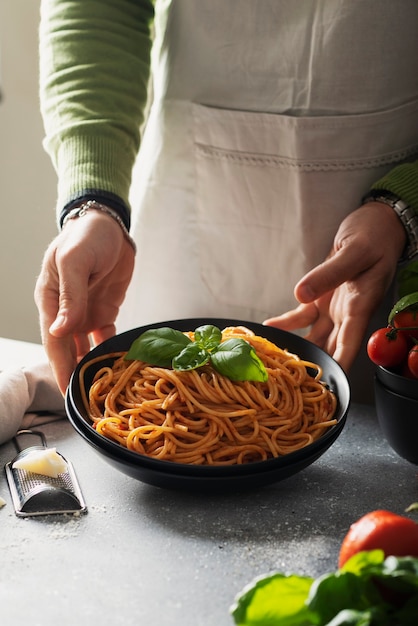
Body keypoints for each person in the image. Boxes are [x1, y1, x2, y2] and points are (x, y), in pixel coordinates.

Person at [35, 0, 418, 402]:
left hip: (390, 238)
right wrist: (95, 202)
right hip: (185, 204)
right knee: (149, 401)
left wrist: (404, 204)